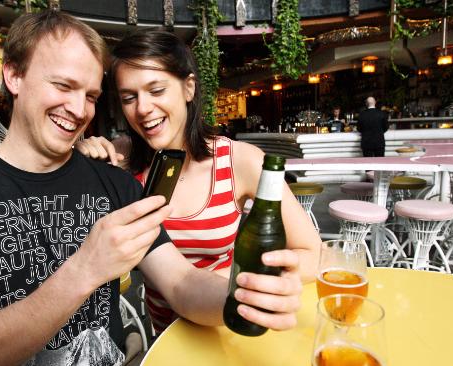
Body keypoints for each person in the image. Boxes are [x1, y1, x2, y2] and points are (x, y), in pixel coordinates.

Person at [0, 10, 304, 366]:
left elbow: (181, 283)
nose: (79, 111)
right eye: (63, 85)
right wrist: (85, 268)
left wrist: (239, 299)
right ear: (13, 75)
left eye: (92, 96)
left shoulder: (116, 184)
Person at [76, 30, 321, 334]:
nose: (142, 108)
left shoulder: (240, 161)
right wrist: (81, 157)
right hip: (169, 340)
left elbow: (313, 254)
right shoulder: (121, 164)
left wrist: (265, 280)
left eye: (156, 90)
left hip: (234, 325)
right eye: (129, 97)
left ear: (188, 88)